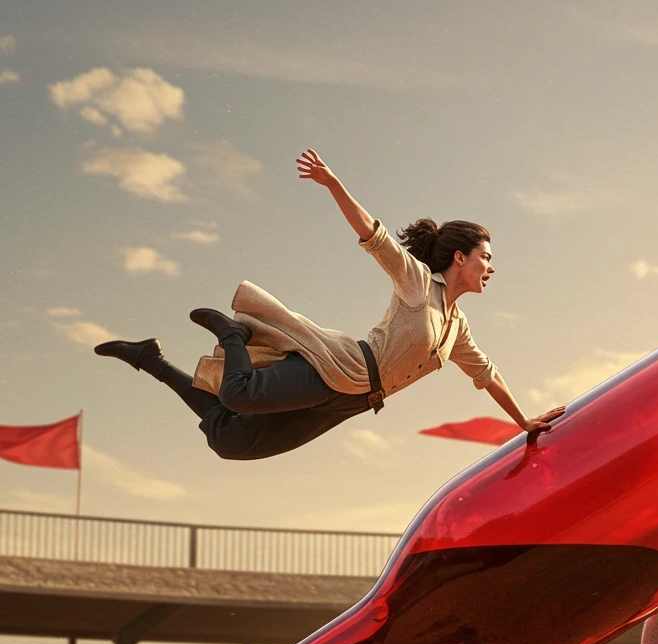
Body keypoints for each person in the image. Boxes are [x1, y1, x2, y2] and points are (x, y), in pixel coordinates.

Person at [94, 149, 565, 461]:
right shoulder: (419, 284)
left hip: (351, 402)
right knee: (238, 394)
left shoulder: (456, 328)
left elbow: (486, 374)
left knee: (232, 441)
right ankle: (233, 333)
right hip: (337, 368)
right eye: (486, 257)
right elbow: (374, 236)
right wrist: (333, 182)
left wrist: (523, 420)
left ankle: (151, 360)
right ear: (460, 258)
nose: (491, 266)